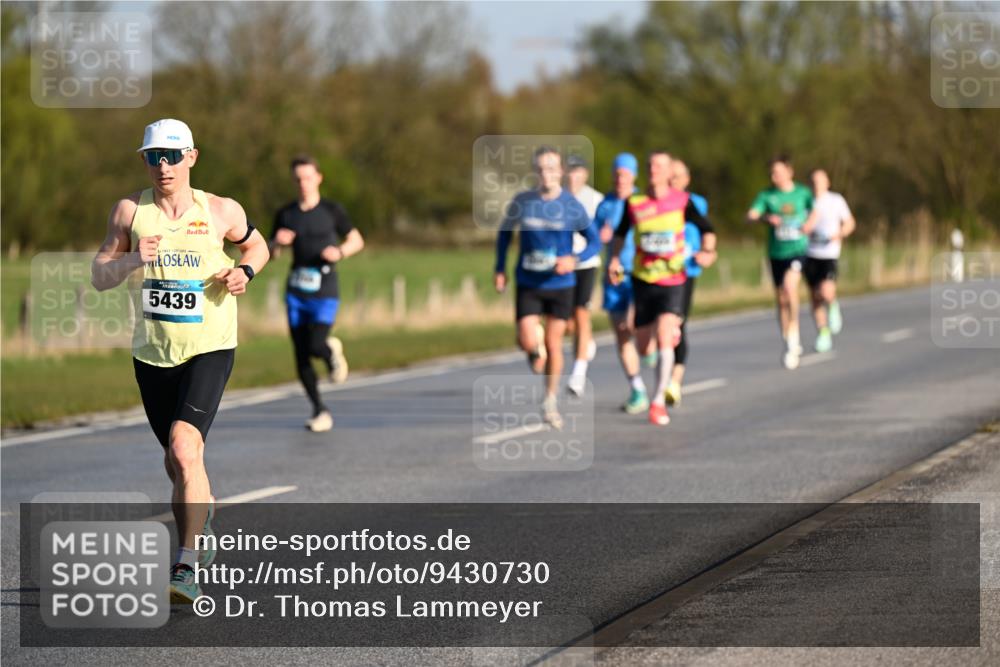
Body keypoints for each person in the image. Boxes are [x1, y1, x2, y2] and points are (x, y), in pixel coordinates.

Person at [91, 118, 269, 603]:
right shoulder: (130, 212)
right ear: (144, 160)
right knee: (176, 460)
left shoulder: (219, 209)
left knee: (185, 446)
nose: (163, 166)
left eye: (171, 156)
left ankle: (185, 564)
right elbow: (99, 275)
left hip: (210, 345)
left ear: (191, 156)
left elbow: (257, 244)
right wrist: (132, 260)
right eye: (153, 156)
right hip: (152, 353)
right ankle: (202, 518)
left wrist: (245, 271)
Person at [607, 151, 717, 426]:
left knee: (666, 335)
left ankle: (657, 402)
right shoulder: (635, 203)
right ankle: (658, 350)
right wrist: (614, 259)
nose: (653, 169)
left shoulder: (682, 201)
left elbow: (707, 227)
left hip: (673, 280)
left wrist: (708, 251)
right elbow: (620, 234)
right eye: (650, 165)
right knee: (645, 347)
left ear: (670, 173)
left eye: (659, 166)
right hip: (643, 279)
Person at [495, 146, 600, 429]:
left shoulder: (571, 205)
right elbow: (504, 234)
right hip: (529, 281)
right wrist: (500, 269)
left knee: (554, 345)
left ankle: (549, 400)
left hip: (561, 284)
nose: (546, 174)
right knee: (527, 340)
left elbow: (594, 241)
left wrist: (574, 259)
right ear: (535, 171)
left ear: (561, 172)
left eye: (552, 169)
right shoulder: (523, 201)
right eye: (541, 169)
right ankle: (532, 348)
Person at [270, 155, 364, 432]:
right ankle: (319, 410)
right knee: (300, 354)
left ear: (318, 178)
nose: (303, 184)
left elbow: (357, 240)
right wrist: (276, 241)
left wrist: (340, 252)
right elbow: (270, 254)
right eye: (298, 179)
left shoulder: (332, 210)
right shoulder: (286, 214)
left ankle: (330, 350)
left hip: (324, 289)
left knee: (315, 344)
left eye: (308, 178)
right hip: (296, 290)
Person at [746, 155, 813, 370]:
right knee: (781, 299)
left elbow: (816, 211)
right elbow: (750, 216)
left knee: (789, 288)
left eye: (779, 172)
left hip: (798, 249)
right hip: (777, 253)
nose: (775, 177)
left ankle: (794, 336)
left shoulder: (802, 193)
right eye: (772, 173)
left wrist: (809, 224)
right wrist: (765, 218)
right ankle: (788, 339)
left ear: (789, 171)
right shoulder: (767, 196)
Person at [597, 152, 649, 414]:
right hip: (613, 275)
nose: (620, 179)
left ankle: (650, 347)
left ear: (634, 175)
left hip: (640, 272)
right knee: (620, 332)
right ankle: (637, 388)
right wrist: (600, 236)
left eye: (625, 174)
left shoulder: (642, 202)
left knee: (633, 324)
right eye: (617, 174)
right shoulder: (604, 205)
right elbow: (592, 237)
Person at [665, 159, 709, 406]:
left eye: (678, 176)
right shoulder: (654, 203)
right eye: (670, 176)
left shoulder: (697, 203)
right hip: (657, 272)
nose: (674, 181)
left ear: (687, 178)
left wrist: (706, 251)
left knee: (677, 325)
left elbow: (707, 231)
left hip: (685, 271)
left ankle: (674, 381)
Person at [803, 168, 855, 352]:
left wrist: (839, 234)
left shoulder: (836, 200)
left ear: (827, 182)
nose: (817, 185)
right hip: (809, 253)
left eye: (820, 181)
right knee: (815, 298)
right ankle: (823, 333)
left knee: (826, 291)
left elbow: (850, 222)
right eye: (813, 181)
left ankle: (833, 306)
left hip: (829, 254)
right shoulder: (806, 201)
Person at [565, 155, 603, 397]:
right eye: (569, 171)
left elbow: (598, 235)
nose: (573, 176)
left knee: (581, 312)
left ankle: (578, 372)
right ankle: (585, 341)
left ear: (585, 174)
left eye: (577, 171)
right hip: (561, 266)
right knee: (565, 322)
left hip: (586, 263)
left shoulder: (595, 199)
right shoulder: (557, 197)